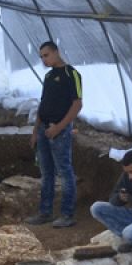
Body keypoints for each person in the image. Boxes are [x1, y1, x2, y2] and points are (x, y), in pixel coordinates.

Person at [27, 41, 83, 229]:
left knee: (65, 172)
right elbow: (43, 105)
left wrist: (58, 128)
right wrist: (36, 131)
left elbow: (77, 105)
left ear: (56, 52)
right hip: (44, 129)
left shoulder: (71, 74)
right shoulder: (49, 76)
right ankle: (45, 212)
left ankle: (67, 214)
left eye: (46, 55)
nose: (44, 59)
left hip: (59, 131)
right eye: (41, 56)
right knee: (46, 172)